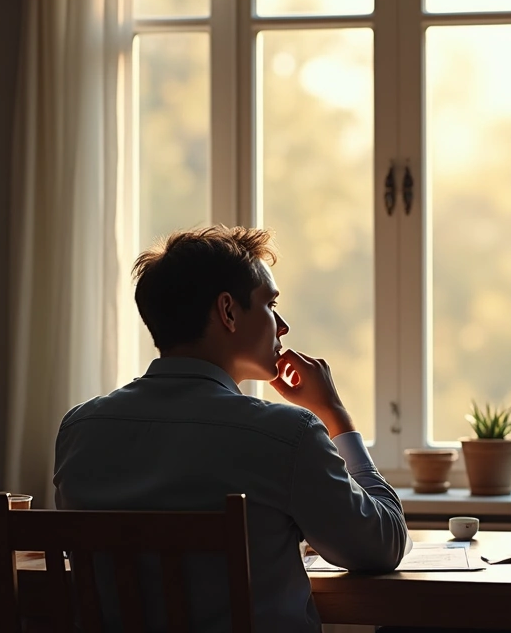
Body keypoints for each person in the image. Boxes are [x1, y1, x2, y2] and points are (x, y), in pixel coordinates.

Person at [53, 225, 409, 632]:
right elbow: (383, 546)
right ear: (228, 312)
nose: (283, 325)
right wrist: (336, 417)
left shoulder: (80, 429)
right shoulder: (286, 434)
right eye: (270, 305)